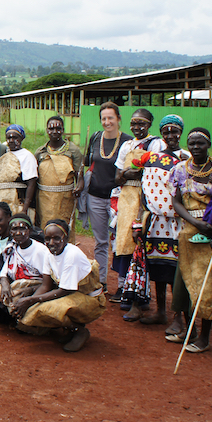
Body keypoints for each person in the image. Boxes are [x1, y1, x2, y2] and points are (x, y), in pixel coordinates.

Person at [167, 127, 212, 353]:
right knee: (187, 284)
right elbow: (176, 202)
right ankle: (190, 330)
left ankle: (204, 337)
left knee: (209, 285)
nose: (196, 147)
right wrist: (195, 223)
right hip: (190, 231)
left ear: (209, 145)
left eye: (200, 143)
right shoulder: (179, 170)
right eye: (192, 143)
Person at [123, 115, 189, 323]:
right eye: (166, 131)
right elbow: (145, 193)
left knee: (177, 271)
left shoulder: (188, 158)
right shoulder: (152, 158)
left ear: (180, 133)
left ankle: (178, 317)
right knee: (158, 268)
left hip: (179, 222)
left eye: (174, 131)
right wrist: (138, 223)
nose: (170, 135)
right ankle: (161, 312)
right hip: (155, 222)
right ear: (161, 134)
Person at [11, 219, 106, 352]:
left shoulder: (72, 255)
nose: (51, 243)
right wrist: (28, 304)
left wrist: (30, 300)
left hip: (90, 299)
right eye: (47, 238)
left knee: (45, 309)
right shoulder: (49, 253)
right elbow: (45, 286)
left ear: (66, 238)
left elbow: (64, 291)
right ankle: (69, 329)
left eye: (56, 238)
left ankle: (79, 331)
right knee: (31, 311)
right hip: (72, 294)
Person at [111, 109, 166, 305]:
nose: (137, 127)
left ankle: (140, 289)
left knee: (140, 241)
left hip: (146, 195)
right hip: (126, 196)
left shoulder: (156, 144)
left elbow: (156, 171)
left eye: (141, 123)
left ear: (150, 124)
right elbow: (117, 176)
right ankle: (123, 285)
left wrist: (130, 173)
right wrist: (129, 173)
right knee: (124, 241)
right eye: (133, 123)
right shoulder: (127, 144)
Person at [84, 102, 133, 293]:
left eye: (110, 118)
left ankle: (123, 286)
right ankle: (100, 281)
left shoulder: (128, 142)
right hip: (95, 197)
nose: (107, 122)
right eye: (103, 118)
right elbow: (88, 163)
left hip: (119, 200)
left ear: (118, 119)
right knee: (101, 242)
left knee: (121, 241)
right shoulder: (96, 138)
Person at [34, 115, 83, 230]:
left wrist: (79, 186)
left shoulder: (73, 150)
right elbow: (35, 177)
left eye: (58, 128)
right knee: (45, 226)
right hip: (44, 198)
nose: (55, 132)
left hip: (65, 198)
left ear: (63, 130)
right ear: (47, 130)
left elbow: (79, 175)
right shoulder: (40, 152)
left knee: (63, 227)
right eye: (51, 129)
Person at [0, 124, 38, 222]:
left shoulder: (27, 156)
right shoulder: (4, 154)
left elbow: (31, 183)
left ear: (21, 139)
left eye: (15, 137)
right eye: (9, 137)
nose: (11, 140)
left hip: (18, 202)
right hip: (1, 200)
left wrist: (24, 209)